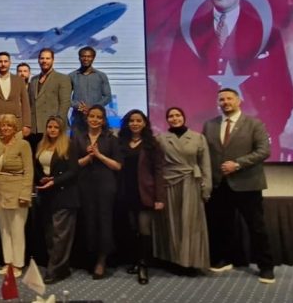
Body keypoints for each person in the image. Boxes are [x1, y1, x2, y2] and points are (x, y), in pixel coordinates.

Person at [166, 0, 293, 160]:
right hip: (201, 139)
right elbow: (173, 91)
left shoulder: (266, 33)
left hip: (254, 137)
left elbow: (283, 94)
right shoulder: (188, 33)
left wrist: (263, 133)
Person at [202, 88, 275, 284]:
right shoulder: (209, 125)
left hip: (247, 184)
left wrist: (238, 164)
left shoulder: (254, 124)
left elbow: (264, 151)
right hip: (219, 184)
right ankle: (223, 259)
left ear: (239, 100)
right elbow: (204, 152)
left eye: (229, 98)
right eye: (222, 99)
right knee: (220, 224)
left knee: (256, 227)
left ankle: (266, 267)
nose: (225, 102)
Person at [154, 107, 211, 274]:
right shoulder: (160, 139)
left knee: (191, 223)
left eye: (178, 115)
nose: (174, 118)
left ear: (183, 117)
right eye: (170, 116)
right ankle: (174, 261)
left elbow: (205, 164)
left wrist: (206, 188)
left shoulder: (198, 138)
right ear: (167, 120)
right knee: (172, 223)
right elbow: (156, 165)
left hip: (191, 183)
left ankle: (191, 261)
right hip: (168, 183)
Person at [74, 104, 123, 279]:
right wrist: (88, 157)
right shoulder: (79, 137)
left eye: (99, 117)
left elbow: (117, 166)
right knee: (89, 221)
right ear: (87, 118)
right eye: (92, 116)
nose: (95, 120)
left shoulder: (111, 138)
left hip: (105, 185)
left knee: (104, 222)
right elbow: (73, 164)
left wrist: (99, 155)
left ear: (103, 120)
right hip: (84, 184)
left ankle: (102, 260)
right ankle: (91, 257)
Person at [117, 109, 166, 285]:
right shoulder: (121, 142)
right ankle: (136, 261)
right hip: (126, 192)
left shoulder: (152, 144)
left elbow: (159, 170)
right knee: (133, 229)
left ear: (144, 123)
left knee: (144, 229)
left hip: (145, 192)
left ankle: (144, 265)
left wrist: (159, 197)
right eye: (132, 120)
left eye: (138, 120)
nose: (135, 123)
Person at [35, 116, 79, 285]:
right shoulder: (41, 145)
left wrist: (54, 181)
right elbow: (38, 168)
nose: (52, 130)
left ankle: (53, 270)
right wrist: (42, 179)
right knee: (49, 235)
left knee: (60, 235)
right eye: (50, 127)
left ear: (61, 130)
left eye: (55, 127)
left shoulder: (69, 145)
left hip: (64, 195)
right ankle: (62, 268)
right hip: (46, 195)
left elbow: (73, 171)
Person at [0, 113, 34, 277]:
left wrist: (25, 194)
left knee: (17, 230)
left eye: (9, 125)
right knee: (4, 230)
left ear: (15, 128)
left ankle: (18, 265)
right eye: (3, 125)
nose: (5, 128)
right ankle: (8, 263)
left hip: (17, 192)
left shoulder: (23, 145)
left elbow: (29, 171)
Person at [29, 48, 72, 143]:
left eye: (47, 58)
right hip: (35, 128)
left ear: (53, 60)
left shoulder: (62, 78)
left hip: (54, 128)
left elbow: (65, 104)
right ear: (38, 60)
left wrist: (57, 124)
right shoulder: (33, 79)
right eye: (42, 58)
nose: (44, 61)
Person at [0, 52, 31, 137]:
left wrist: (27, 124)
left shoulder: (19, 80)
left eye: (5, 61)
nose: (3, 64)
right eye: (0, 61)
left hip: (16, 125)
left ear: (10, 63)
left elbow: (25, 103)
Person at [69, 47, 113, 136]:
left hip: (97, 118)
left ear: (93, 58)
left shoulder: (101, 76)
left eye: (89, 56)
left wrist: (93, 108)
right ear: (79, 58)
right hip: (78, 118)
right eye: (83, 56)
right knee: (76, 142)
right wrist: (78, 106)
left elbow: (108, 97)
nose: (86, 59)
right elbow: (65, 97)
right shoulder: (72, 76)